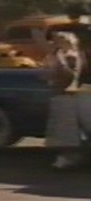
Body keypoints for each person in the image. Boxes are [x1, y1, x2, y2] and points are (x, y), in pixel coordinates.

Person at [36, 29, 90, 169]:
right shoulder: (68, 55)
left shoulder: (70, 56)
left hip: (66, 94)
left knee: (67, 129)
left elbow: (68, 75)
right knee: (68, 129)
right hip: (64, 93)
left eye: (58, 40)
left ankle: (69, 157)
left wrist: (52, 72)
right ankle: (69, 156)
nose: (55, 42)